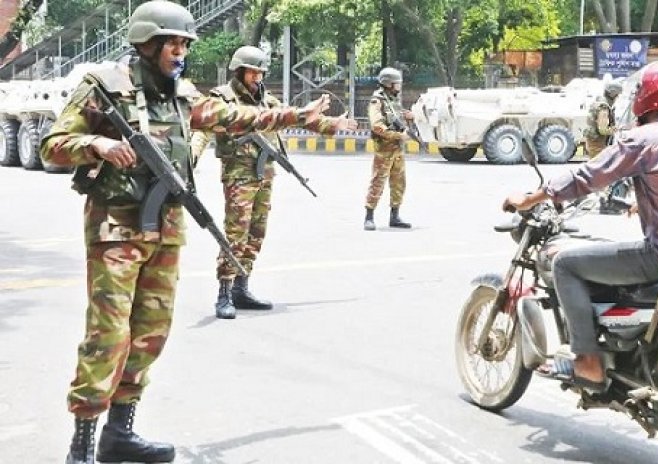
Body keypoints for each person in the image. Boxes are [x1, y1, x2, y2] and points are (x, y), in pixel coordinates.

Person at [40, 2, 355, 463]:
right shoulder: (104, 88)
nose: (181, 51)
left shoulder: (183, 95)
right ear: (147, 42)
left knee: (150, 333)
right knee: (107, 335)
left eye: (186, 44)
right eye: (174, 43)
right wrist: (97, 144)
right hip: (116, 232)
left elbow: (238, 118)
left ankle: (119, 435)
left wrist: (297, 116)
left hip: (165, 228)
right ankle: (82, 444)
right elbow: (53, 146)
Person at [502, 62, 658, 390]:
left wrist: (531, 198)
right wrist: (647, 200)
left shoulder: (642, 138)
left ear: (647, 97)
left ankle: (588, 361)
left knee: (565, 264)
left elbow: (587, 177)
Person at [191, 46, 352, 319]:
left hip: (265, 174)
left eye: (261, 71)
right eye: (253, 71)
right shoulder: (223, 99)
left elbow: (299, 117)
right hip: (239, 174)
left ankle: (242, 287)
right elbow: (202, 132)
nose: (258, 76)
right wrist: (191, 157)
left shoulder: (268, 100)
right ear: (239, 70)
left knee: (256, 232)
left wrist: (332, 125)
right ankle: (225, 292)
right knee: (235, 233)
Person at [364, 66, 413, 231]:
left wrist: (408, 119)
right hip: (384, 150)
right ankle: (369, 216)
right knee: (378, 181)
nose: (399, 86)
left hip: (397, 149)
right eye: (396, 83)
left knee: (399, 183)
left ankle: (395, 215)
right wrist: (398, 136)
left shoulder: (394, 100)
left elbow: (398, 122)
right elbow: (377, 126)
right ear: (388, 84)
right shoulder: (377, 101)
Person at [583, 80, 623, 158]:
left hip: (594, 142)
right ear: (612, 94)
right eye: (617, 95)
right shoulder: (603, 108)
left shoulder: (599, 101)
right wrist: (615, 130)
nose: (617, 98)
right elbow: (603, 130)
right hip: (597, 144)